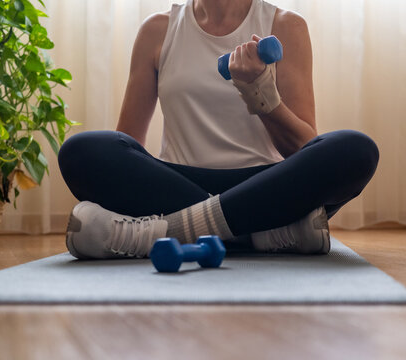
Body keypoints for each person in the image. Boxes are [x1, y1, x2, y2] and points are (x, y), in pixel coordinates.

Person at [58, 0, 379, 259]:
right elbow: (126, 144)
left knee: (354, 150)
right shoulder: (157, 29)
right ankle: (261, 235)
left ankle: (160, 234)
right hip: (177, 185)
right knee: (82, 152)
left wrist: (260, 94)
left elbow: (305, 149)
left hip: (268, 187)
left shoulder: (285, 26)